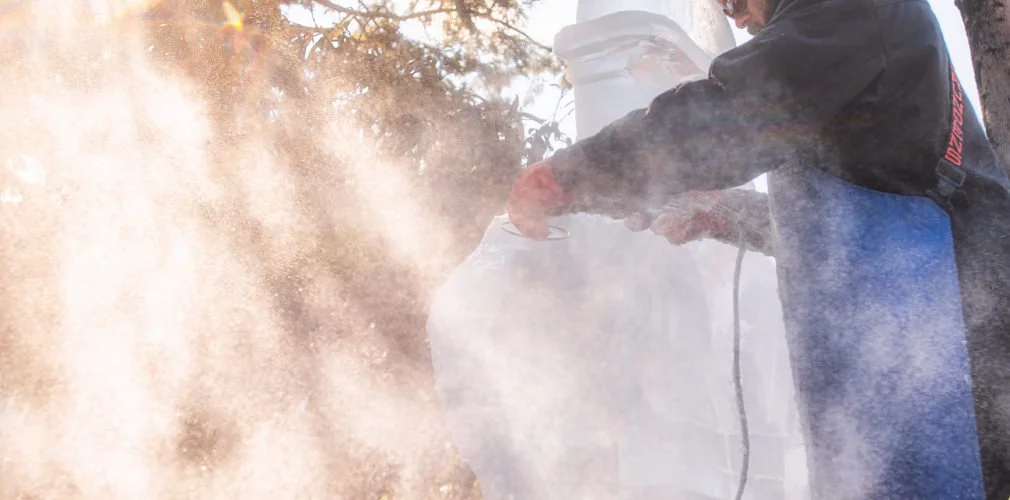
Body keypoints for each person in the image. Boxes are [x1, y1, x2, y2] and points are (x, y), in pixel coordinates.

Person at [505, 0, 1010, 497]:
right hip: (897, 355)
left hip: (957, 340)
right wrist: (727, 215)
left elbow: (734, 114)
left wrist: (574, 176)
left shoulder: (850, 9)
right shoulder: (841, 59)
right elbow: (842, 231)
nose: (729, 11)